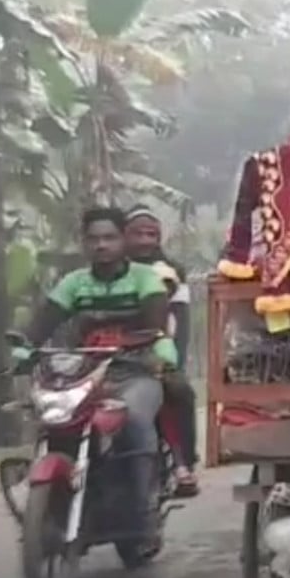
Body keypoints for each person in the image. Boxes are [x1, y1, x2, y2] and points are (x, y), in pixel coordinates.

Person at [23, 206, 177, 540]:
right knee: (57, 420)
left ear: (123, 240)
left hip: (135, 370)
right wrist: (24, 346)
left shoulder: (144, 278)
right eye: (93, 239)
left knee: (134, 418)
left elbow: (157, 322)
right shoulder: (74, 283)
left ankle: (141, 509)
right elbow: (45, 320)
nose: (101, 245)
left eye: (109, 237)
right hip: (86, 374)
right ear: (84, 244)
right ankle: (57, 505)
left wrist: (159, 346)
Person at [124, 205, 200, 497]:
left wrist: (172, 361)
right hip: (106, 353)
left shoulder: (171, 274)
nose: (145, 241)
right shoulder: (104, 272)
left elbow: (179, 324)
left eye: (151, 234)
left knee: (176, 391)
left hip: (153, 350)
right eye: (137, 234)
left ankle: (184, 465)